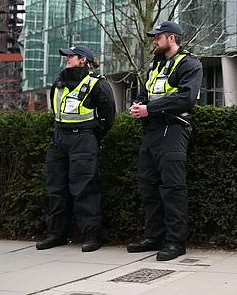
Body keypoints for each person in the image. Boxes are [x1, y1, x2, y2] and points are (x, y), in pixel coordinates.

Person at [127, 21, 202, 261]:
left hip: (174, 128)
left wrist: (150, 109)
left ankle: (175, 242)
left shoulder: (190, 63)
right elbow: (144, 92)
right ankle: (154, 237)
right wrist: (138, 105)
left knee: (172, 188)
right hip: (152, 131)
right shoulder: (155, 66)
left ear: (171, 38)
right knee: (148, 185)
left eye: (157, 37)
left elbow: (185, 98)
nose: (154, 41)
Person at [36, 45, 116, 253]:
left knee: (85, 188)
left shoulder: (97, 84)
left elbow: (109, 117)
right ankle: (56, 233)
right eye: (66, 56)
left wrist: (92, 136)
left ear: (83, 60)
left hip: (84, 138)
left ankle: (91, 236)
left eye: (71, 56)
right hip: (59, 137)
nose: (67, 59)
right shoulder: (59, 82)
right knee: (56, 187)